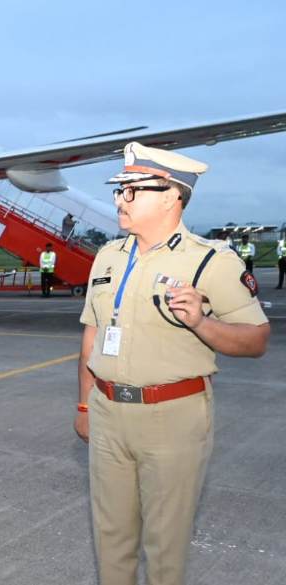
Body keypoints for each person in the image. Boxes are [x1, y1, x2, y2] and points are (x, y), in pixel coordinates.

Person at [76, 142, 270, 585]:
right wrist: (84, 405)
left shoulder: (210, 261)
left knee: (165, 548)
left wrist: (201, 323)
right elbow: (91, 333)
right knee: (111, 540)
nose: (119, 199)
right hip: (107, 411)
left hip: (173, 417)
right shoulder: (108, 257)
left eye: (131, 190)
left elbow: (257, 339)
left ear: (170, 196)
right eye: (119, 190)